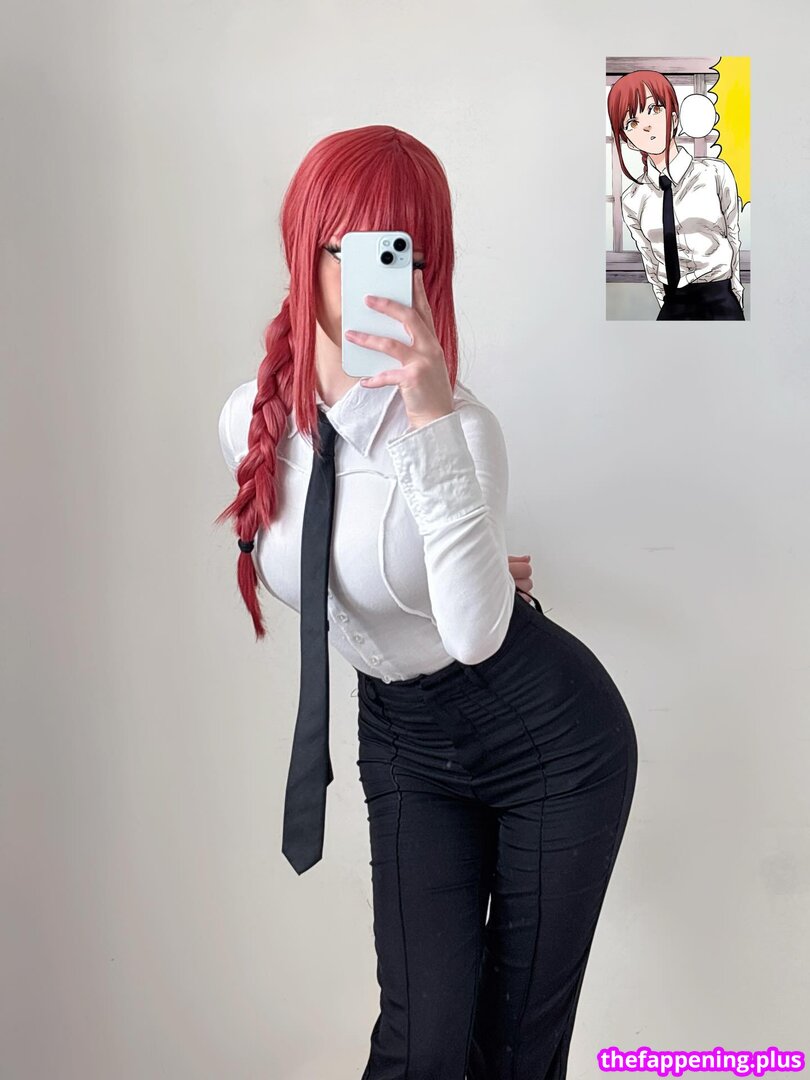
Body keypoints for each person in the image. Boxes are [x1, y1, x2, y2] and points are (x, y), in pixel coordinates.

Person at [215, 124, 638, 1079]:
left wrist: (433, 425)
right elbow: (324, 566)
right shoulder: (249, 420)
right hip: (404, 734)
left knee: (514, 1049)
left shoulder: (461, 430)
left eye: (402, 252)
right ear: (304, 245)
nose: (381, 279)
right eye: (354, 249)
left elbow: (479, 633)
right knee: (421, 1041)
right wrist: (434, 576)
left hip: (552, 743)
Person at [608, 69, 746, 320]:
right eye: (632, 123)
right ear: (628, 141)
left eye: (654, 109)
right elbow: (650, 262)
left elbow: (734, 237)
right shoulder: (632, 200)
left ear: (673, 116)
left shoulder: (715, 173)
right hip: (673, 303)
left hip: (720, 298)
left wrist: (736, 292)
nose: (647, 125)